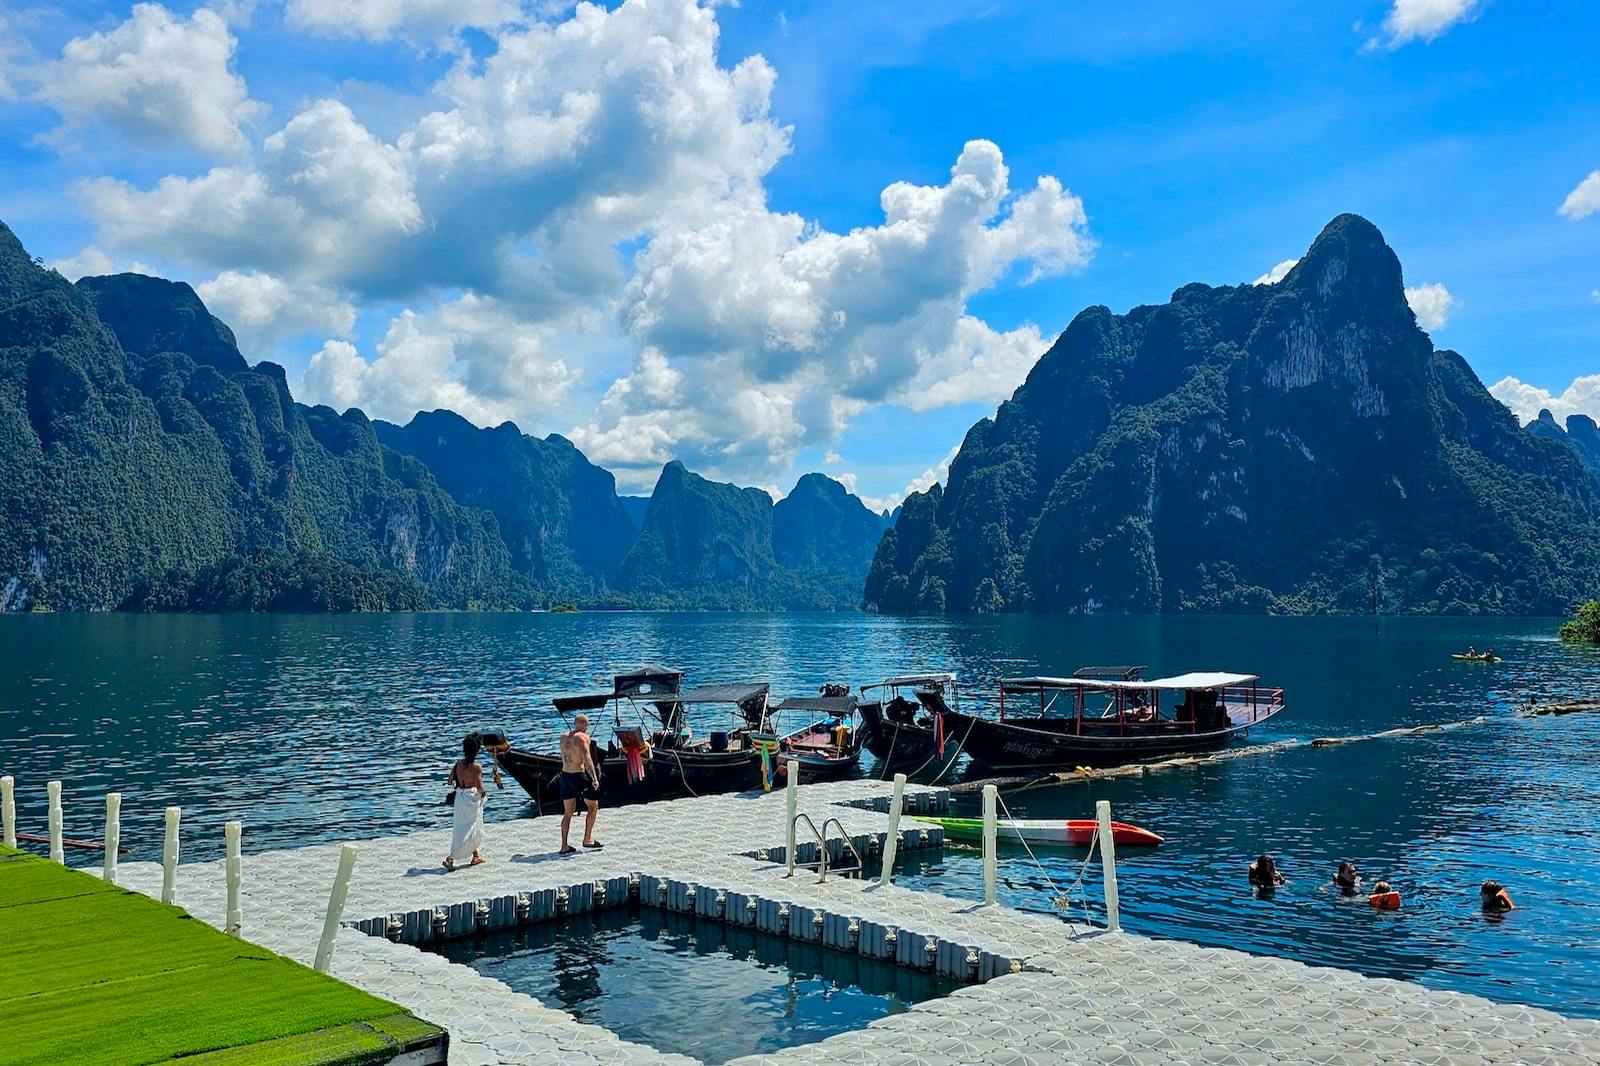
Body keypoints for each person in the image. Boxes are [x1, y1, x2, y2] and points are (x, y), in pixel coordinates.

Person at [560, 713, 603, 854]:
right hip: (578, 776)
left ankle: (564, 846)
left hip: (565, 775)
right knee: (593, 805)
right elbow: (587, 758)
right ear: (583, 725)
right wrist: (594, 778)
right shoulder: (583, 737)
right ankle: (587, 839)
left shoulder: (563, 736)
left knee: (568, 813)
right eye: (587, 724)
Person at [443, 732, 486, 870]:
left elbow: (450, 781)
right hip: (471, 798)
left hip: (460, 798)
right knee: (472, 826)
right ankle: (450, 858)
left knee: (462, 827)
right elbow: (479, 787)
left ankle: (475, 855)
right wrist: (484, 794)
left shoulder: (458, 765)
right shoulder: (477, 767)